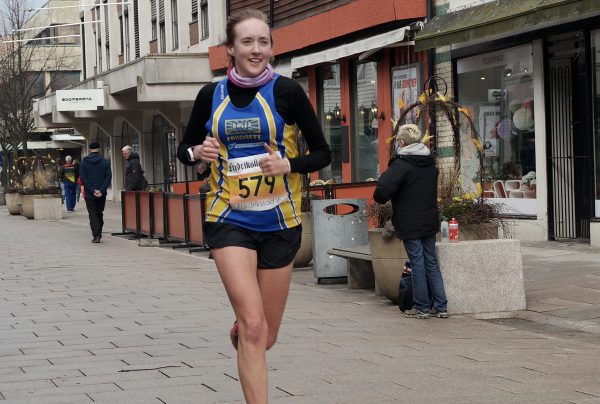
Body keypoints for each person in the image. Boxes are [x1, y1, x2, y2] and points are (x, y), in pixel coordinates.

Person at [177, 9, 331, 403]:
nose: (256, 49)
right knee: (256, 326)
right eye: (247, 42)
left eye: (263, 41)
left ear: (272, 49)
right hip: (227, 217)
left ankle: (244, 332)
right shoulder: (210, 95)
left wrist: (288, 164)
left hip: (280, 219)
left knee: (267, 335)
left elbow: (323, 153)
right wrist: (198, 151)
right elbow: (185, 149)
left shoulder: (288, 93)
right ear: (231, 49)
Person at [373, 124, 448, 319]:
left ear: (402, 142)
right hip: (429, 220)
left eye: (398, 140)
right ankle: (441, 306)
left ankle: (421, 307)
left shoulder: (401, 164)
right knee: (431, 261)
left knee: (417, 262)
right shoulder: (430, 163)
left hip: (410, 221)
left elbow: (382, 191)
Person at [79, 141, 112, 243]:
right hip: (102, 194)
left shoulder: (84, 162)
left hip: (89, 194)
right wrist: (101, 190)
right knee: (99, 213)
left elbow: (83, 178)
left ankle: (96, 235)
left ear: (89, 149)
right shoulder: (105, 162)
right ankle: (99, 232)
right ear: (99, 149)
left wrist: (93, 190)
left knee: (92, 214)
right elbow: (108, 177)